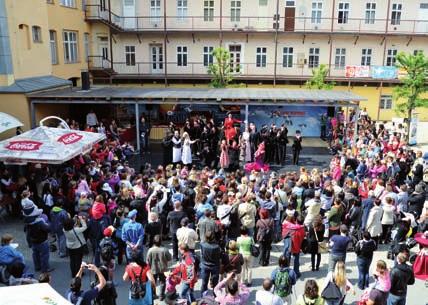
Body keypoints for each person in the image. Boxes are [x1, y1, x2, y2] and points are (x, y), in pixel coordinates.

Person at [146, 234, 172, 301]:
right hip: (163, 269)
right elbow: (169, 258)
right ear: (161, 241)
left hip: (153, 269)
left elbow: (147, 261)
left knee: (153, 282)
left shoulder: (150, 250)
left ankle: (153, 294)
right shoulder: (164, 250)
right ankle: (161, 295)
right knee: (162, 282)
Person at [200, 230, 222, 294]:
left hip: (205, 265)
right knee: (215, 284)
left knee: (204, 283)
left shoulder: (202, 244)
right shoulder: (217, 247)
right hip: (214, 266)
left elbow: (202, 253)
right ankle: (215, 297)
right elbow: (219, 256)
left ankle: (203, 297)